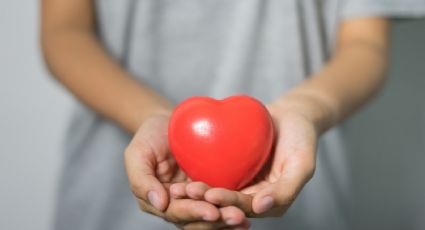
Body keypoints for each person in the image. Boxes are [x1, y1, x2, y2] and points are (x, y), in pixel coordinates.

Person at [41, 0, 425, 229]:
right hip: (107, 207)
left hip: (305, 204)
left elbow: (365, 45)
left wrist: (303, 110)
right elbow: (65, 30)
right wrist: (152, 116)